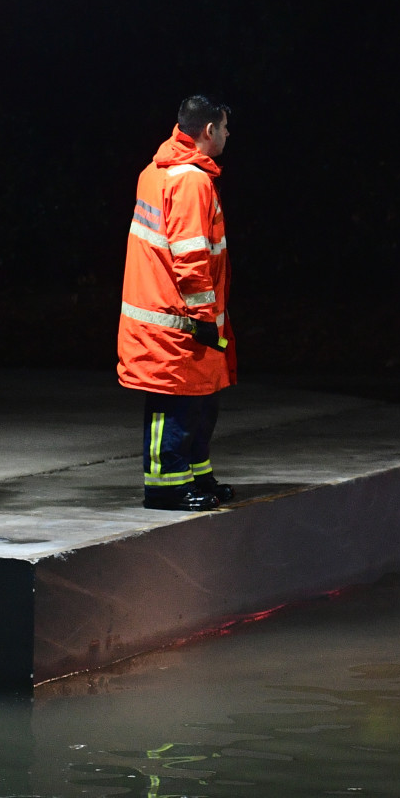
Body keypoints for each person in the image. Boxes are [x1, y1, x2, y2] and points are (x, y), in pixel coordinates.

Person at [118, 96, 236, 511]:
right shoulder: (190, 180)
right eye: (223, 128)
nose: (226, 135)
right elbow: (190, 255)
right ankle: (166, 487)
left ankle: (195, 475)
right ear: (208, 131)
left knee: (198, 399)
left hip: (165, 312)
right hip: (178, 318)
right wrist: (205, 317)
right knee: (176, 403)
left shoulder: (158, 172)